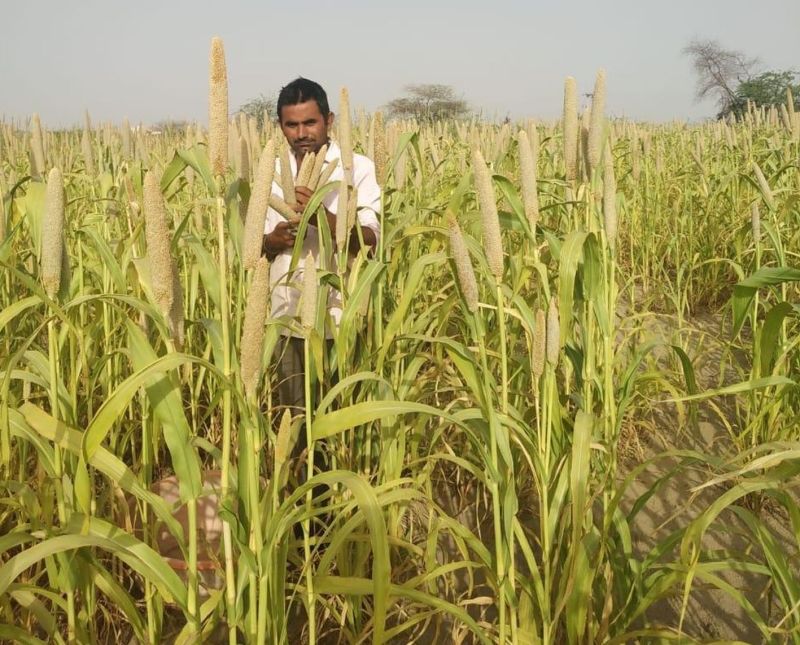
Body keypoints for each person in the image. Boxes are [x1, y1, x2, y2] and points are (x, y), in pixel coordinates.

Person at [262, 77, 381, 421]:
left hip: (340, 323)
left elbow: (372, 240)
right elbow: (251, 244)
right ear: (281, 126)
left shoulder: (356, 168)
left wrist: (323, 217)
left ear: (328, 120)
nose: (302, 133)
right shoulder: (270, 171)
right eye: (292, 125)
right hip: (285, 320)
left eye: (310, 122)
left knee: (339, 421)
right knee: (295, 421)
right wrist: (272, 242)